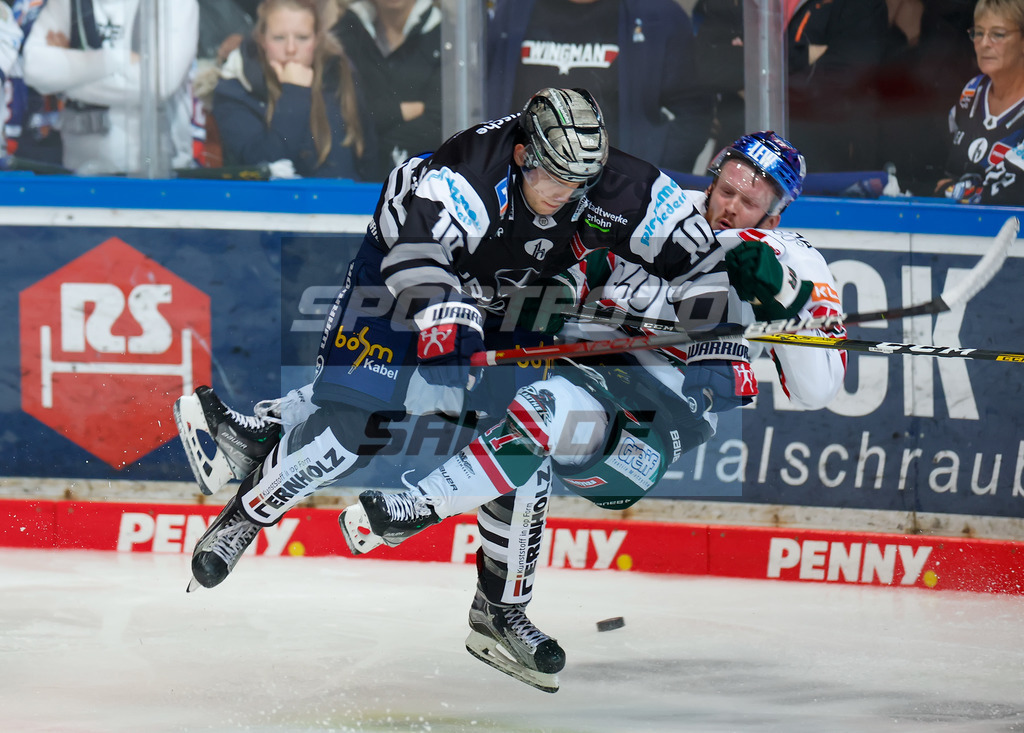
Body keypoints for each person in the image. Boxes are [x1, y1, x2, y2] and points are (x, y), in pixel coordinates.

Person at [179, 89, 759, 612]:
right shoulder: (468, 171)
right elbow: (416, 255)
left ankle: (500, 612)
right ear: (524, 154)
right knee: (356, 427)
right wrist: (445, 317)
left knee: (521, 436)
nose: (565, 195)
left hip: (511, 291)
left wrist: (719, 345)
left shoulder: (625, 187)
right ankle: (244, 517)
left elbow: (701, 263)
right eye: (554, 177)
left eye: (580, 183)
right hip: (397, 274)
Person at [340, 132, 847, 692]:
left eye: (748, 203)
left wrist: (788, 304)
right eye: (726, 189)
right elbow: (570, 291)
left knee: (545, 410)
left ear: (774, 215)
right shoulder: (665, 223)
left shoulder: (792, 256)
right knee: (520, 417)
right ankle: (500, 615)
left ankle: (416, 507)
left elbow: (819, 388)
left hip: (657, 423)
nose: (729, 206)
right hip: (594, 377)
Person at [486, 0, 712, 174]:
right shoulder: (507, 12)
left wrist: (647, 178)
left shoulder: (659, 16)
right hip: (521, 184)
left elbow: (693, 110)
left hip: (615, 198)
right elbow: (477, 99)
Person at [21, 0, 199, 175]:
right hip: (78, 170)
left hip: (153, 169)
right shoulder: (66, 3)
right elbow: (34, 69)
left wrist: (66, 82)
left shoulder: (173, 4)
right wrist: (119, 60)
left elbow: (157, 86)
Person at [209, 0, 375, 179]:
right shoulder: (235, 90)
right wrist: (294, 93)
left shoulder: (340, 73)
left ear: (317, 39)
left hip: (340, 203)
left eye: (302, 38)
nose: (291, 49)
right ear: (262, 40)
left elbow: (367, 157)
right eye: (279, 38)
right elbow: (262, 162)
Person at [332, 0, 442, 181]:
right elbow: (340, 114)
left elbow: (440, 119)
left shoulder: (447, 35)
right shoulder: (345, 32)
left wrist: (376, 126)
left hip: (425, 182)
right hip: (357, 185)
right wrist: (402, 111)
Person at [937, 0, 1024, 206]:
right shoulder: (971, 92)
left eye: (998, 34)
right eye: (978, 32)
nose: (984, 43)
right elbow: (944, 173)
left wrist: (952, 190)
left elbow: (1013, 193)